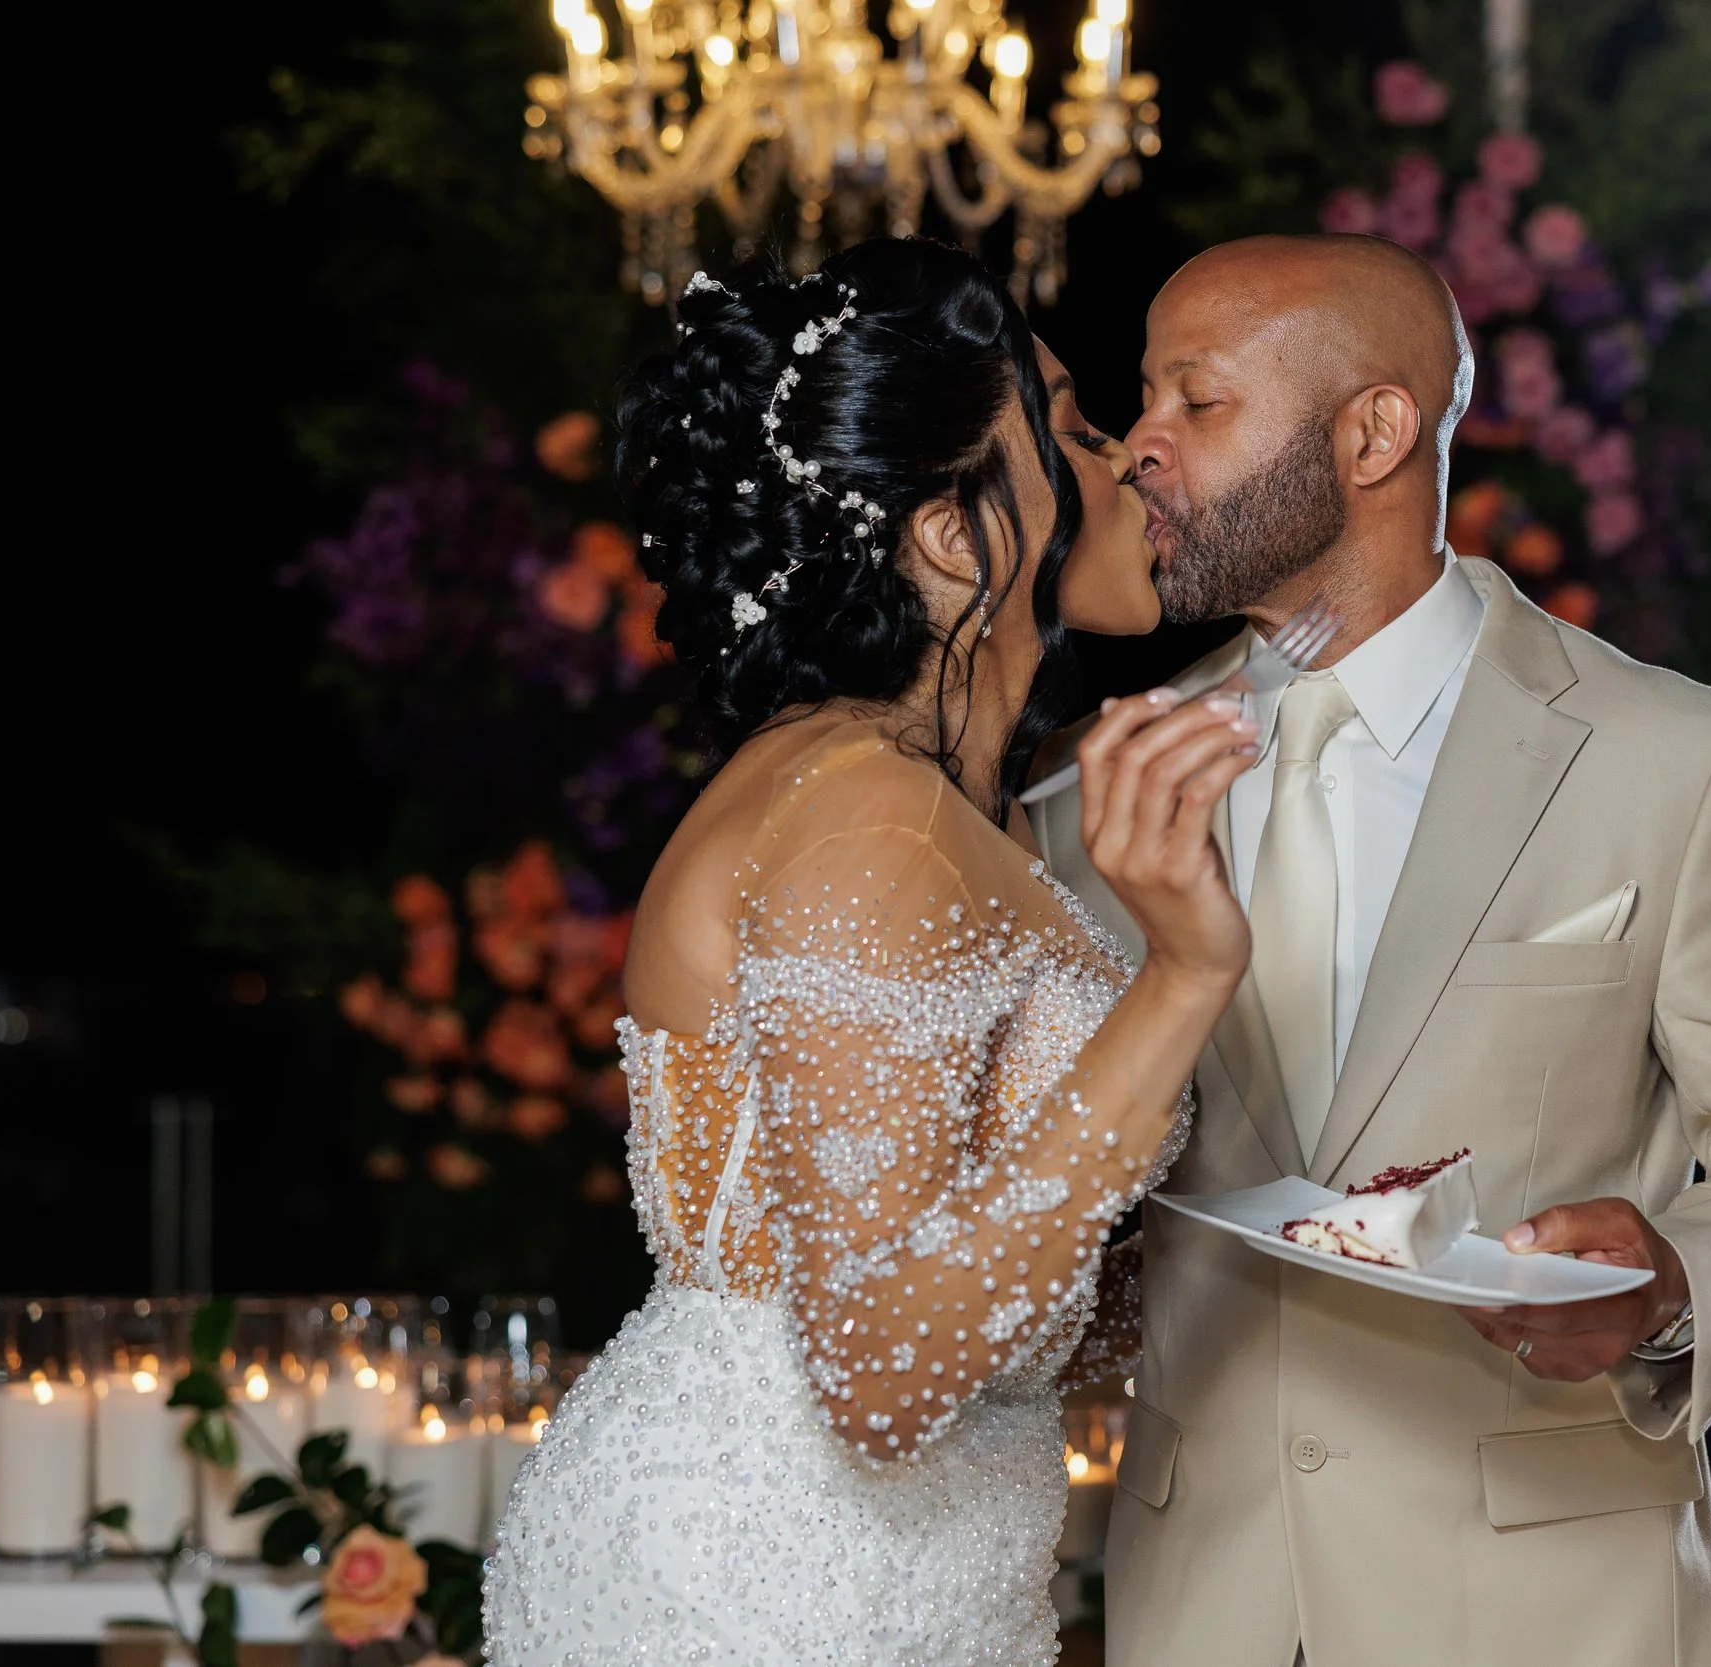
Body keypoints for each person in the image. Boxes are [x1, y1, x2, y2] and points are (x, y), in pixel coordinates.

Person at [1029, 233, 1711, 1666]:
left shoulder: (1672, 759)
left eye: (1195, 402)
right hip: (1208, 1604)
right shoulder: (1099, 788)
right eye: (1143, 401)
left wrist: (1674, 1280)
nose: (1139, 446)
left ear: (1373, 432)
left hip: (1553, 1613)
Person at [481, 238, 1259, 1665]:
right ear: (957, 536)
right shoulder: (868, 824)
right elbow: (883, 1375)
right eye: (1077, 427)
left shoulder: (948, 808)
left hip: (906, 1576)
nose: (1128, 460)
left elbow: (1003, 1306)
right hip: (763, 1591)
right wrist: (1186, 979)